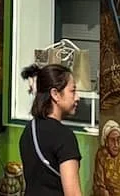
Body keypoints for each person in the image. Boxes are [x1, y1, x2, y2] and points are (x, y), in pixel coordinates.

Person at [19, 63, 84, 196]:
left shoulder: (29, 130)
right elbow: (72, 193)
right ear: (55, 94)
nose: (77, 97)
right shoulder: (64, 137)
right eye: (73, 91)